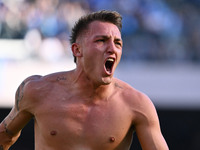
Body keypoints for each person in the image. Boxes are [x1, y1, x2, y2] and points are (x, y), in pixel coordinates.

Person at [0, 10, 169, 150]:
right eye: (101, 40)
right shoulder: (36, 90)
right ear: (77, 50)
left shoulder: (137, 104)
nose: (112, 49)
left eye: (118, 43)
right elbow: (5, 136)